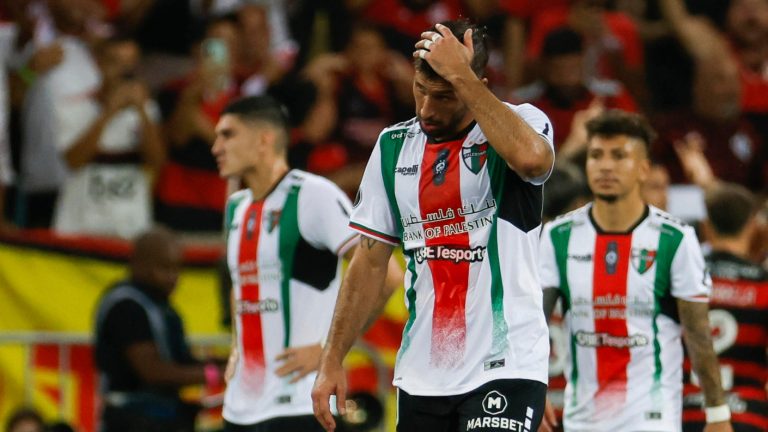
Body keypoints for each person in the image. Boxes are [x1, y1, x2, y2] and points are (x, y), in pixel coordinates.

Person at [313, 19, 555, 432]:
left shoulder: (520, 122)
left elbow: (533, 161)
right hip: (424, 371)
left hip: (506, 362)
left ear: (474, 82)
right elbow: (370, 264)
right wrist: (331, 356)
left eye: (443, 95)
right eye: (420, 91)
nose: (426, 108)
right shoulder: (393, 146)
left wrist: (460, 76)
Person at [212, 95, 399, 431]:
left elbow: (387, 274)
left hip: (299, 404)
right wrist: (236, 348)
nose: (216, 147)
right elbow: (241, 286)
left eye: (228, 135)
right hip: (240, 407)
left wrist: (331, 351)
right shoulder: (235, 209)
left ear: (263, 139)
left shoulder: (312, 195)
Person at [537, 110, 732, 432]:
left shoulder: (675, 238)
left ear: (643, 169)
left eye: (619, 156)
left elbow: (698, 333)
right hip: (581, 419)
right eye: (596, 155)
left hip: (653, 418)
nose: (606, 166)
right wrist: (534, 386)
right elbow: (535, 323)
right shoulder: (558, 236)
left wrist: (717, 413)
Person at [94, 227, 223, 432]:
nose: (173, 277)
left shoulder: (162, 306)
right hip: (129, 420)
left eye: (177, 269)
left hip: (161, 419)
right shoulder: (126, 305)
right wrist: (215, 374)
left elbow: (181, 362)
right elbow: (152, 371)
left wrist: (231, 364)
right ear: (139, 263)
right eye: (164, 268)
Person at [681, 183, 768, 431]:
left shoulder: (680, 281)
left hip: (682, 415)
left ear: (706, 226)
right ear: (753, 226)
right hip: (747, 418)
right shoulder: (763, 285)